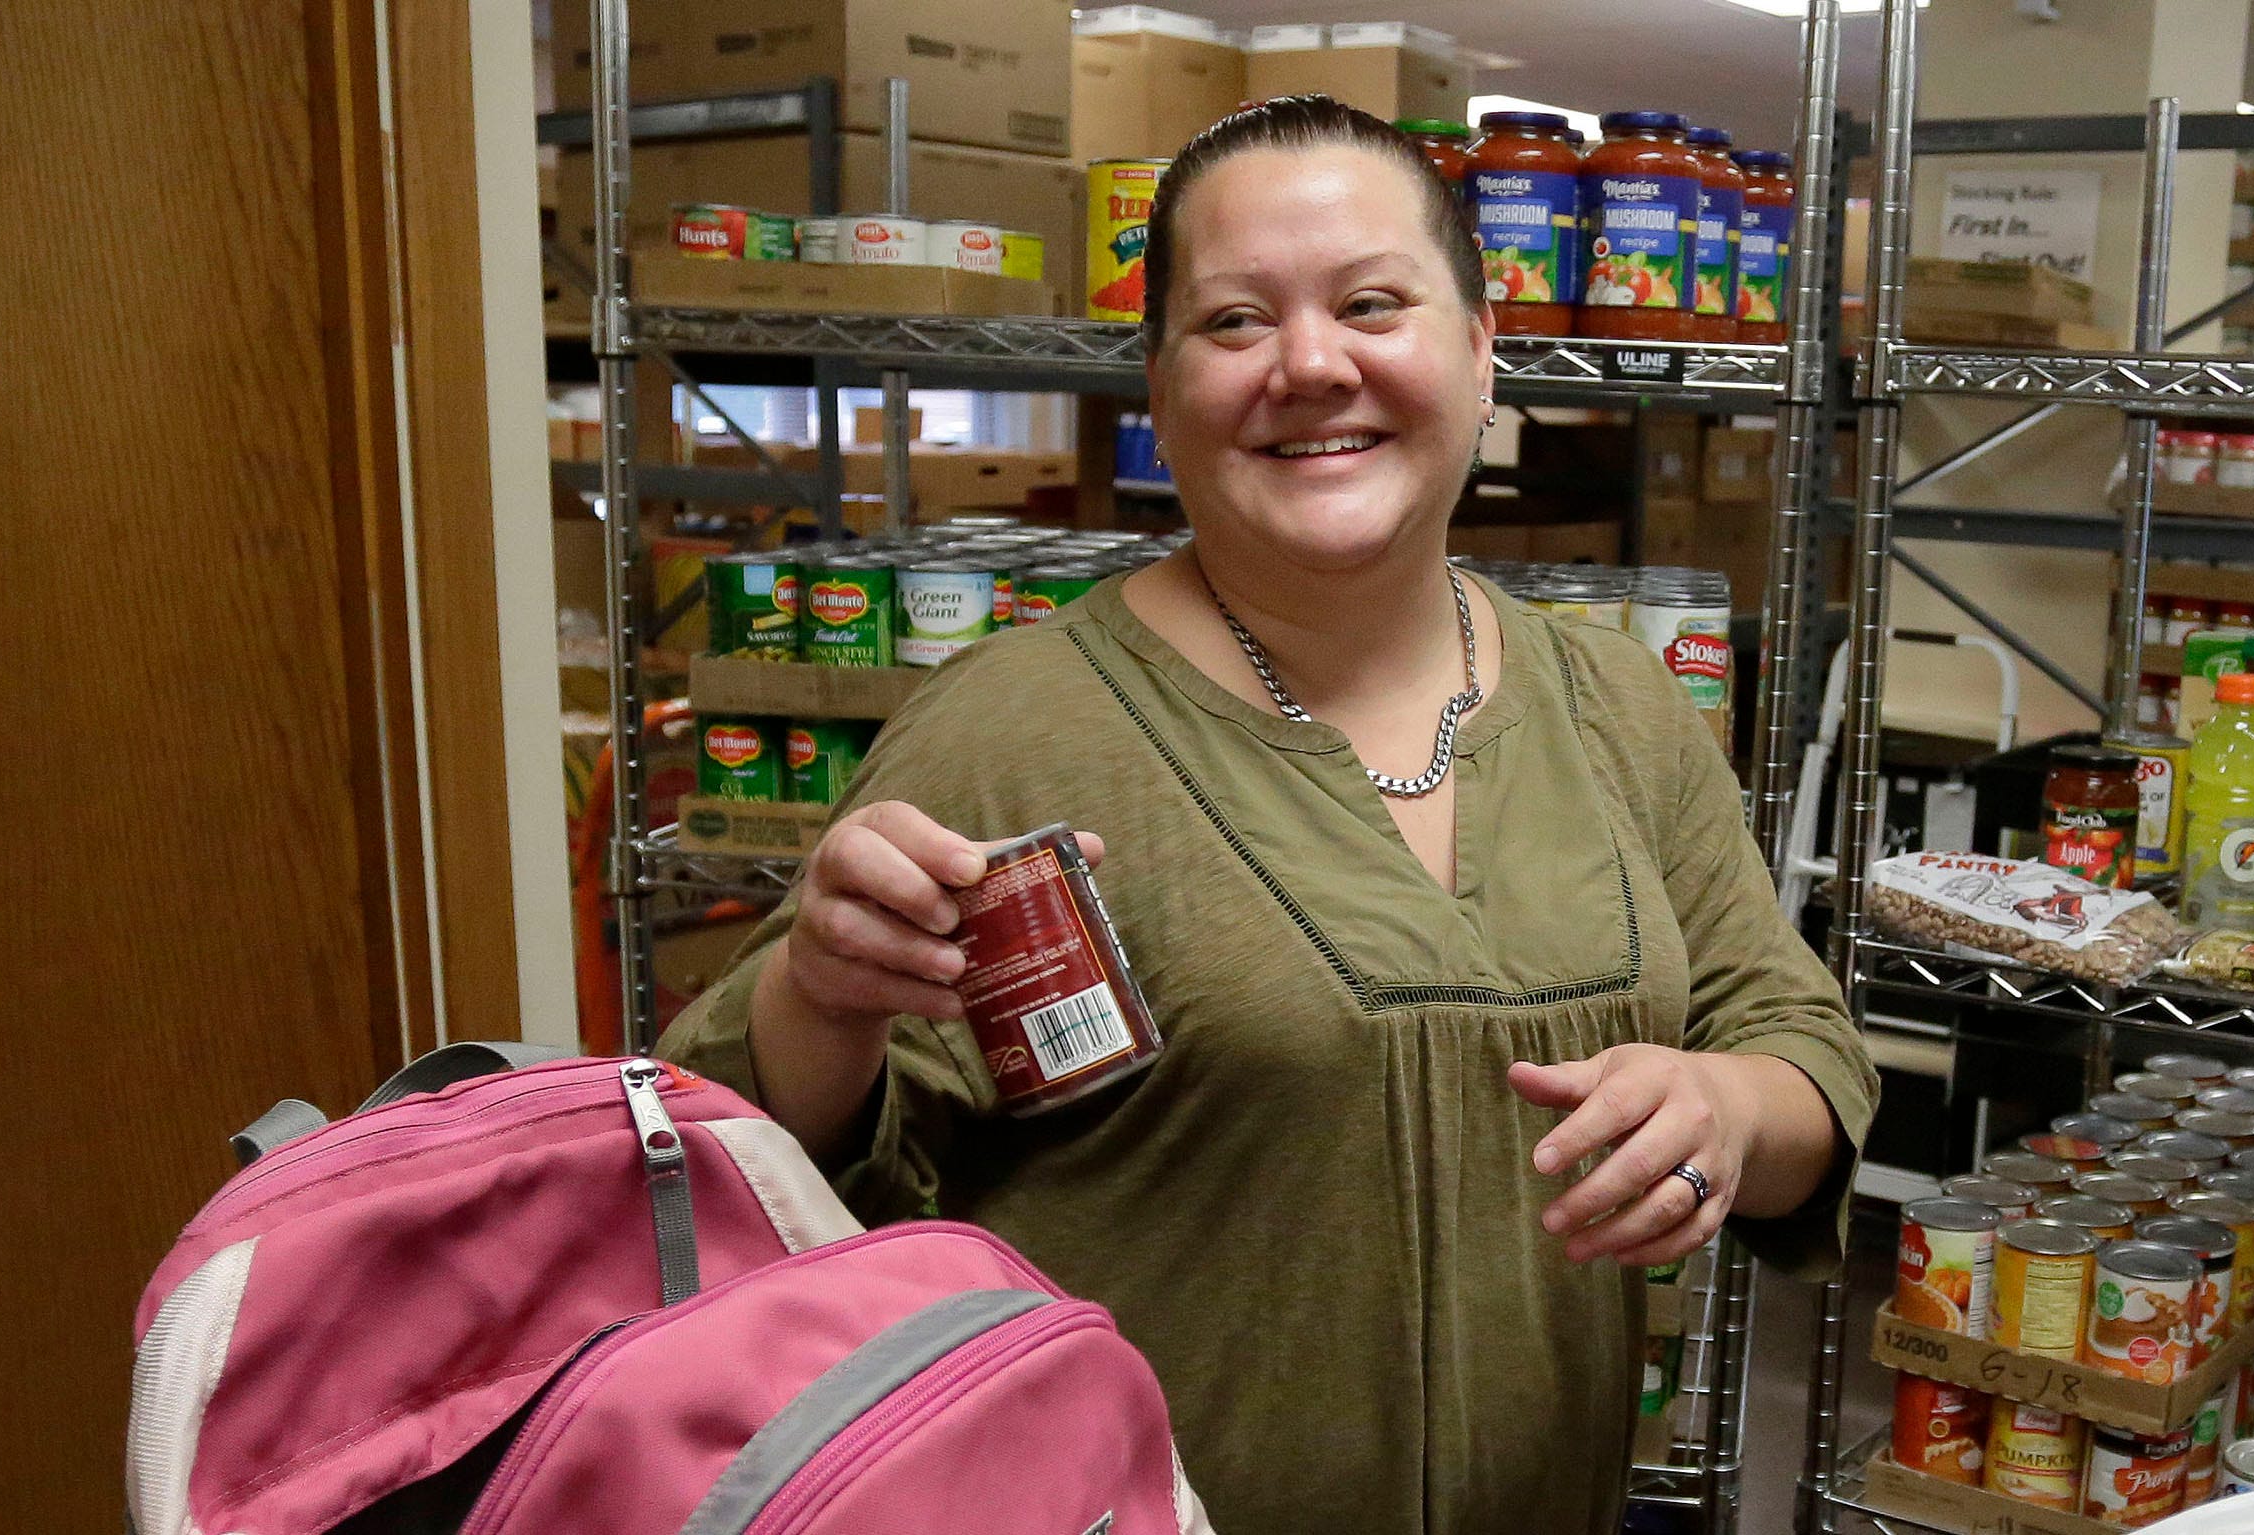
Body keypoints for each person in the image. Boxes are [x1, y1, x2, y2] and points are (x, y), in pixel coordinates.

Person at [659, 95, 1875, 1535]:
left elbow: (1804, 1052)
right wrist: (825, 998)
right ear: (1162, 395)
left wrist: (1727, 1110)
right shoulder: (1014, 725)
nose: (1311, 365)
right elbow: (733, 1163)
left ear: (1483, 357)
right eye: (1235, 324)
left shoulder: (1617, 708)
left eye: (1373, 303)